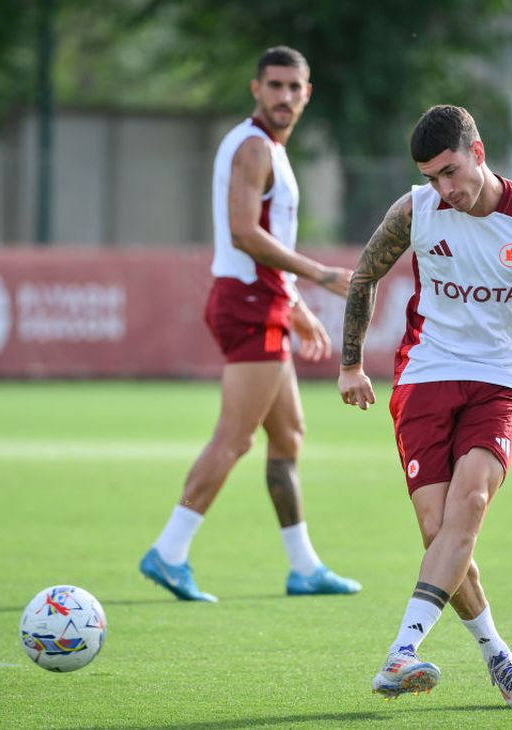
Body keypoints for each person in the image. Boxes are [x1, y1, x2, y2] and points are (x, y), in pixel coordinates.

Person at [338, 105, 512, 707]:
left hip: (498, 382)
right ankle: (499, 655)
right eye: (431, 177)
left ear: (478, 152)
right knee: (437, 531)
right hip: (425, 377)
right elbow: (363, 276)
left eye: (450, 172)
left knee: (468, 505)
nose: (444, 189)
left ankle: (401, 651)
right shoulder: (414, 210)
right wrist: (350, 365)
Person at [140, 46, 361, 602]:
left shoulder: (271, 150)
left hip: (265, 301)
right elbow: (244, 233)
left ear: (307, 94)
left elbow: (263, 239)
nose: (285, 96)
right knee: (234, 437)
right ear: (256, 89)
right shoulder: (254, 147)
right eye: (275, 85)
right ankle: (169, 551)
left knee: (288, 434)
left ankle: (304, 566)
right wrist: (317, 275)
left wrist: (296, 305)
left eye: (294, 87)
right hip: (248, 304)